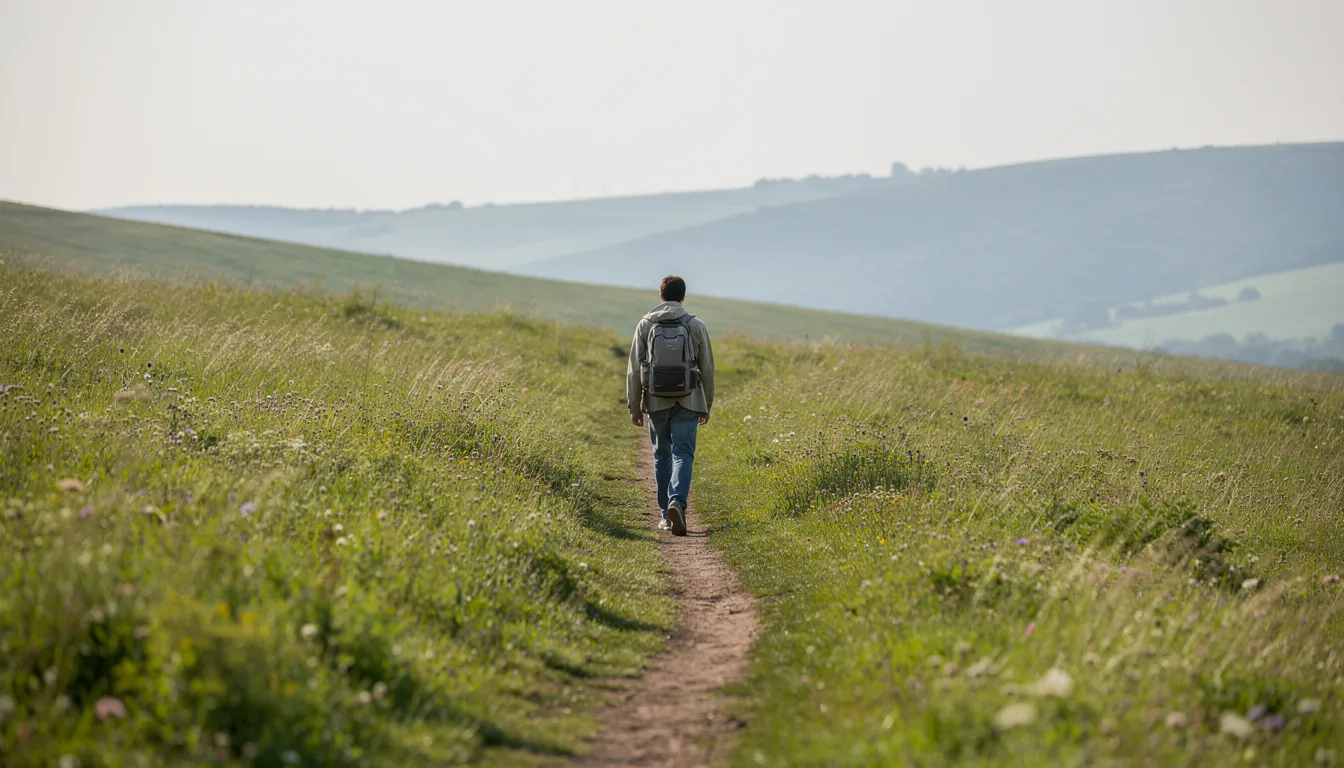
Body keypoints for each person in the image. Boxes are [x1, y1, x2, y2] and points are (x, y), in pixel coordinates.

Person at [627, 275, 715, 536]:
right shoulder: (695, 325)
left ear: (661, 296)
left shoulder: (645, 324)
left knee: (661, 455)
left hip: (656, 400)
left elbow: (634, 368)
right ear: (683, 296)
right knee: (683, 454)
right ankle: (678, 501)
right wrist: (705, 404)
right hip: (688, 398)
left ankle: (666, 514)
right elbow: (707, 368)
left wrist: (635, 406)